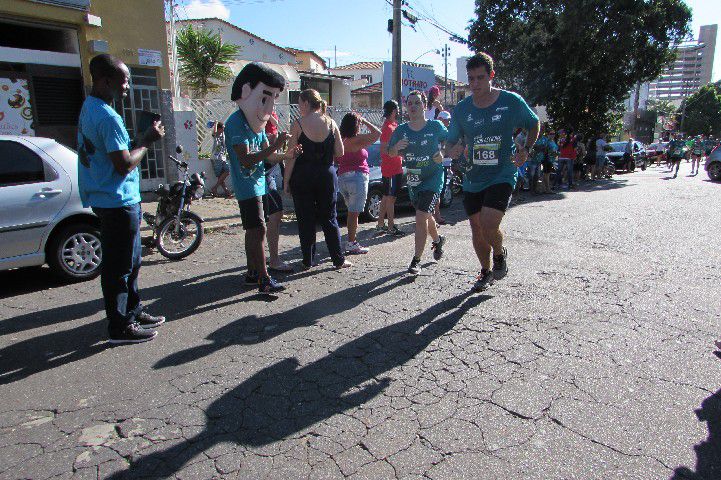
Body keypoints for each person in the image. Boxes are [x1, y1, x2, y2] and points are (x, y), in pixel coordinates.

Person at [77, 54, 166, 344]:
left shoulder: (90, 108)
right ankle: (119, 326)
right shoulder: (106, 116)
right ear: (105, 80)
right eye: (124, 80)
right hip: (116, 201)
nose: (127, 86)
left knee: (132, 260)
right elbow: (125, 163)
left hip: (114, 198)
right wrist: (146, 141)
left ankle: (133, 309)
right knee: (119, 267)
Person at [446, 52, 540, 292]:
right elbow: (450, 143)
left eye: (480, 78)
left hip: (503, 172)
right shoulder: (461, 110)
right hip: (472, 177)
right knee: (476, 228)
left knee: (489, 222)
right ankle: (485, 271)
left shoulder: (510, 102)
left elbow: (533, 123)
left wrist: (526, 149)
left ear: (491, 76)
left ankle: (499, 253)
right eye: (471, 79)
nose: (475, 84)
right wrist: (453, 149)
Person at [226, 62, 300, 293]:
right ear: (247, 92)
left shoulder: (257, 124)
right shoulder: (236, 123)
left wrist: (287, 153)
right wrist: (276, 145)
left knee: (256, 230)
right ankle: (263, 279)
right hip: (246, 185)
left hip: (258, 184)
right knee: (257, 230)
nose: (269, 107)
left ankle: (252, 273)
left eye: (273, 99)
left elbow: (268, 158)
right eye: (266, 98)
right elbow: (247, 159)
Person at [284, 89, 352, 270]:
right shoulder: (331, 122)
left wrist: (286, 180)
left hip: (303, 175)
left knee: (305, 219)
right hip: (326, 175)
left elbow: (291, 156)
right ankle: (338, 259)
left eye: (299, 103)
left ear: (306, 103)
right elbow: (340, 152)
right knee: (329, 218)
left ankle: (308, 260)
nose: (299, 107)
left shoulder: (298, 124)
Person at [388, 90, 448, 275]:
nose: (413, 106)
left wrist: (443, 153)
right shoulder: (401, 130)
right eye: (410, 103)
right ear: (406, 107)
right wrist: (396, 148)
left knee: (421, 216)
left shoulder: (435, 126)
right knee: (426, 216)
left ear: (424, 106)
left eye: (417, 103)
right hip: (414, 178)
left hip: (433, 177)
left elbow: (451, 140)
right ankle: (438, 241)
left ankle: (416, 260)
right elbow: (389, 152)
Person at [336, 112, 381, 254]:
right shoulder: (357, 140)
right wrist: (365, 121)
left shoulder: (340, 140)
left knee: (351, 212)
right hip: (357, 177)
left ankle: (350, 240)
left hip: (342, 178)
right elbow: (377, 133)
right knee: (354, 213)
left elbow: (335, 159)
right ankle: (351, 242)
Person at [375, 100, 405, 237]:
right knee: (390, 198)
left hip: (396, 167)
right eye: (397, 109)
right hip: (390, 168)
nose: (398, 111)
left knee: (386, 197)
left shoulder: (394, 125)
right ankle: (391, 226)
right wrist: (396, 148)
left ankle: (381, 225)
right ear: (393, 110)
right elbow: (383, 149)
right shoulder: (387, 127)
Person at [434, 109, 452, 225]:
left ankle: (436, 215)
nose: (448, 122)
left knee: (440, 191)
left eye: (449, 120)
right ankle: (436, 216)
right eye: (446, 120)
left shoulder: (446, 132)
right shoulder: (436, 132)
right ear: (440, 120)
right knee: (436, 191)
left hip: (445, 165)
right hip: (437, 166)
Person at [209, 122, 231, 197]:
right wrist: (215, 123)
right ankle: (226, 191)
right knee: (220, 176)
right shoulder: (216, 135)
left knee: (226, 172)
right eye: (222, 128)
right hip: (216, 158)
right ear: (219, 129)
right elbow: (214, 132)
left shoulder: (223, 135)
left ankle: (215, 188)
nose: (224, 129)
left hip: (222, 157)